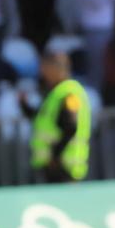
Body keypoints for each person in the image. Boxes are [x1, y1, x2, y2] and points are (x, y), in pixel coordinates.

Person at [24, 53, 91, 183]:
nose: (42, 72)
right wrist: (24, 106)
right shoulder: (54, 92)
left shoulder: (67, 93)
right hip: (52, 166)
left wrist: (54, 157)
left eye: (44, 68)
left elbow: (71, 127)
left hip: (63, 167)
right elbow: (41, 120)